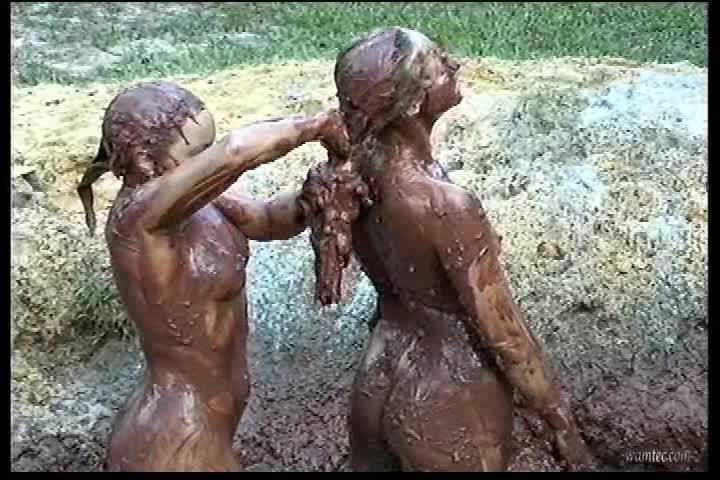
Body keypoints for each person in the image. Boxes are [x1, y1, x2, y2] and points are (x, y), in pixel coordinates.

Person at [299, 27, 591, 472]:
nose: (453, 64)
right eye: (438, 63)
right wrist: (558, 418)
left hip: (377, 375)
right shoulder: (445, 205)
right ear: (412, 104)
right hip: (446, 394)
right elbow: (506, 335)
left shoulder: (350, 177)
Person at [76, 80, 348, 472]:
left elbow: (269, 219)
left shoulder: (202, 198)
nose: (208, 163)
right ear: (145, 162)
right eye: (197, 155)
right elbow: (234, 152)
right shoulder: (137, 221)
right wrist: (317, 124)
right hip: (176, 437)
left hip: (206, 423)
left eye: (209, 149)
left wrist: (312, 199)